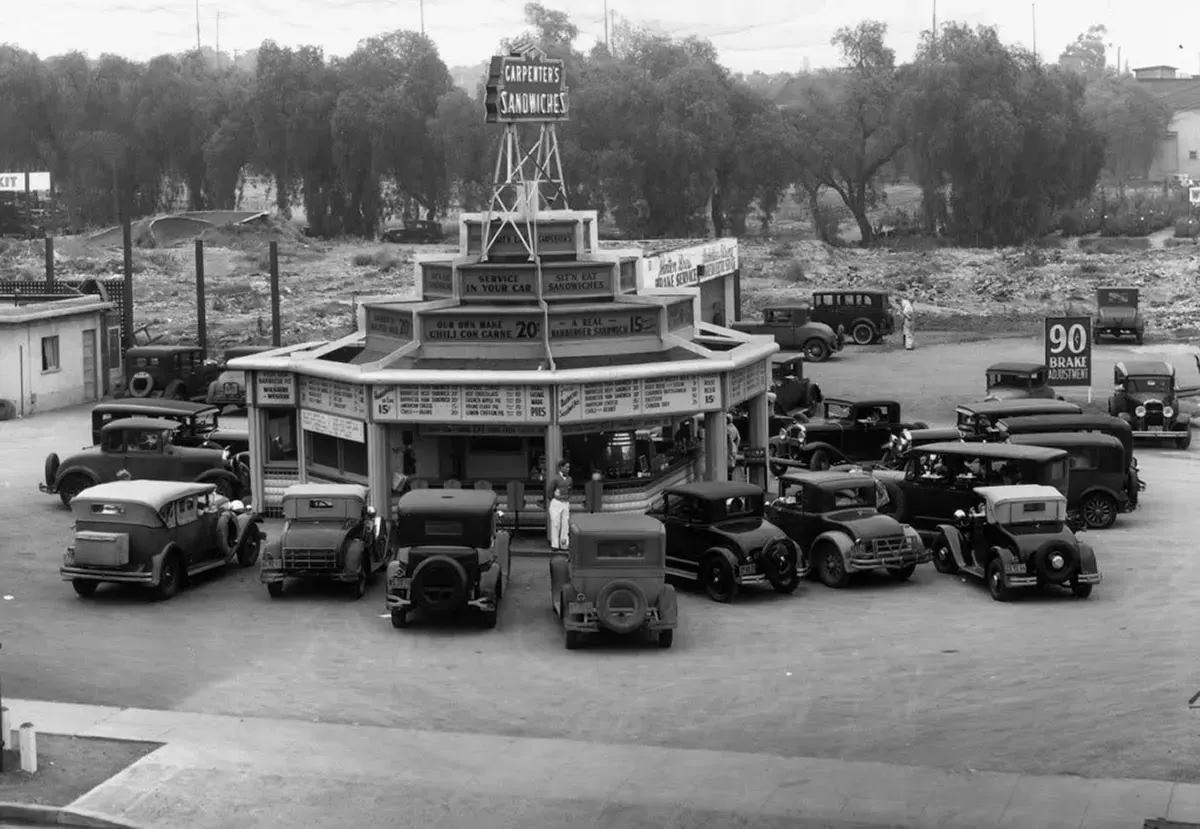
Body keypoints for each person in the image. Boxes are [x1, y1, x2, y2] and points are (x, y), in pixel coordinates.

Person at [547, 459, 573, 553]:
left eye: (568, 467)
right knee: (555, 523)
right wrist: (553, 499)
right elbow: (549, 491)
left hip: (565, 502)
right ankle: (555, 545)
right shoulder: (555, 479)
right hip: (556, 503)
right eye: (566, 467)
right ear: (561, 468)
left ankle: (564, 544)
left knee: (565, 524)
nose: (568, 469)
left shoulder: (570, 479)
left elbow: (570, 490)